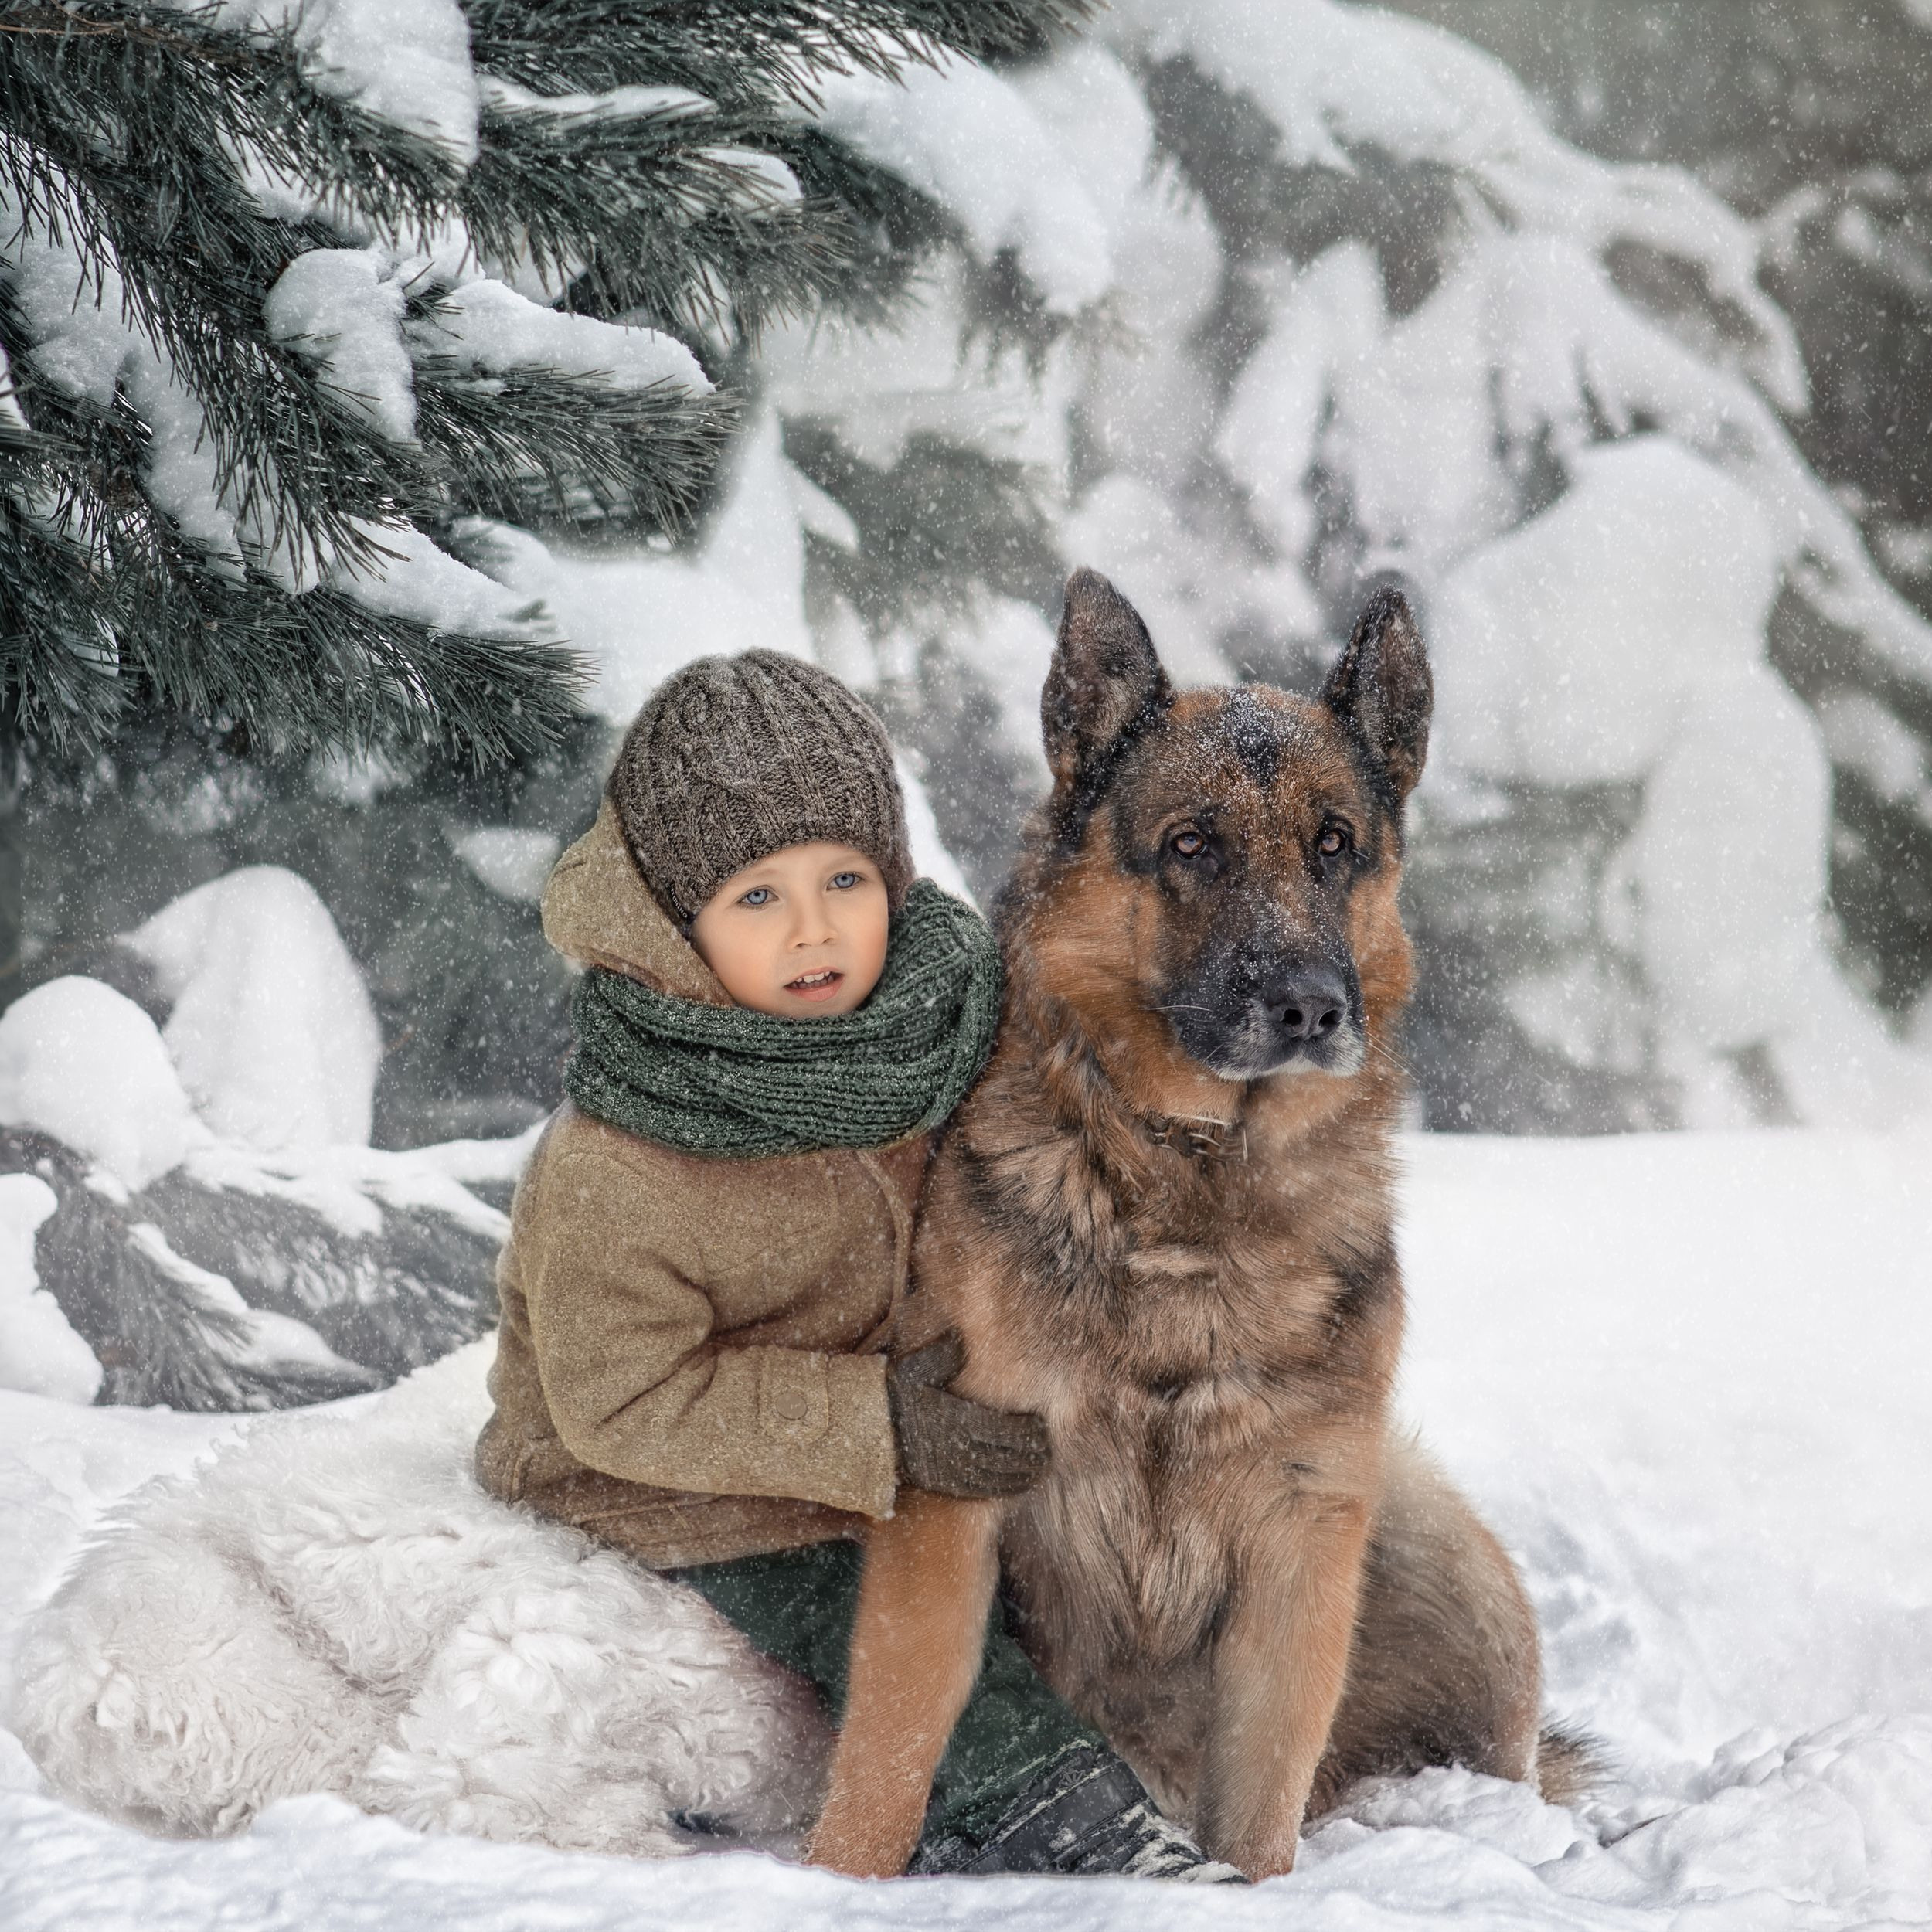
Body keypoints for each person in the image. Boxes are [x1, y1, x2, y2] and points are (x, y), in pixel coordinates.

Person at [474, 651, 1233, 1878]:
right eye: (757, 899)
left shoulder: (939, 1017)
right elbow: (619, 1401)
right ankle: (1041, 1799)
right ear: (678, 919)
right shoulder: (627, 1153)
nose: (817, 927)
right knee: (876, 1613)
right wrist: (871, 1424)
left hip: (896, 1442)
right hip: (670, 1490)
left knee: (1055, 1567)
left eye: (844, 877)